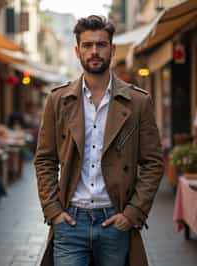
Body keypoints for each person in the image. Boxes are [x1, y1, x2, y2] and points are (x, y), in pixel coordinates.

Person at [34, 15, 164, 266]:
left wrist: (133, 212)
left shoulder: (138, 102)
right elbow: (45, 159)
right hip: (70, 222)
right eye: (87, 45)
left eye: (101, 44)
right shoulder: (58, 100)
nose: (94, 51)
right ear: (77, 50)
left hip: (115, 221)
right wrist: (53, 210)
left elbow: (153, 162)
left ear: (112, 49)